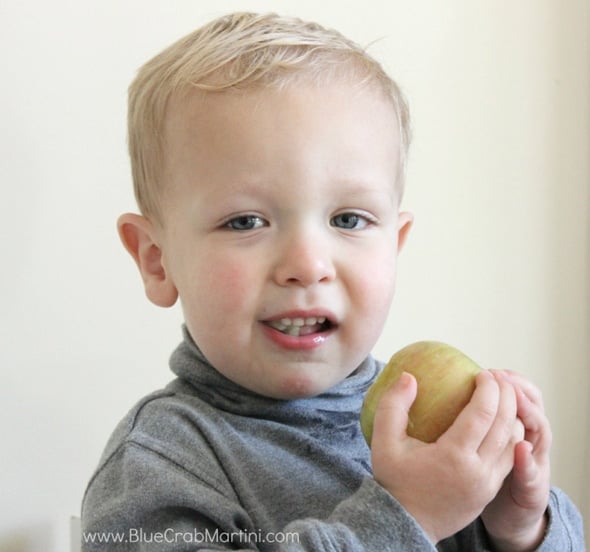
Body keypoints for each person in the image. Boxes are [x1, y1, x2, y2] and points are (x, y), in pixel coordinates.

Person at [81, 11, 585, 551]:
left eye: (348, 219)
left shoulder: (428, 426)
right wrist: (404, 517)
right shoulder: (155, 462)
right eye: (245, 221)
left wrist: (519, 528)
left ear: (395, 243)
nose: (307, 263)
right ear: (157, 261)